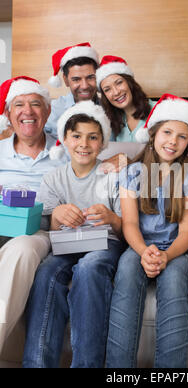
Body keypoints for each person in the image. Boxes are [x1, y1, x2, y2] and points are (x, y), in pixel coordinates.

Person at [23, 101, 126, 368]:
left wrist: (112, 218)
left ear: (103, 142)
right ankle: (36, 364)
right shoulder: (54, 178)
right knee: (46, 272)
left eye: (93, 137)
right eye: (77, 136)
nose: (84, 143)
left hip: (105, 244)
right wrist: (57, 216)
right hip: (66, 244)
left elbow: (129, 228)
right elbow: (47, 226)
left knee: (90, 268)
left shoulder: (113, 175)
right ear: (65, 140)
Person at [106, 93, 188, 368]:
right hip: (138, 245)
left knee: (174, 282)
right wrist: (144, 252)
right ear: (153, 135)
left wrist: (166, 256)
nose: (173, 141)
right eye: (167, 132)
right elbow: (130, 224)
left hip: (174, 249)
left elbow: (186, 233)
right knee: (126, 271)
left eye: (181, 137)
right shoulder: (133, 173)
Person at [0, 76, 68, 353]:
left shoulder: (66, 150)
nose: (28, 111)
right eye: (19, 105)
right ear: (7, 114)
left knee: (23, 250)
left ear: (48, 111)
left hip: (39, 230)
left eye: (36, 104)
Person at [44, 42, 100, 137]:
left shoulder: (110, 109)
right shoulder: (51, 111)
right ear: (66, 80)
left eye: (90, 77)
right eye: (76, 79)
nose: (84, 86)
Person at [96, 55, 155, 143]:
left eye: (119, 83)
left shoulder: (158, 110)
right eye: (107, 89)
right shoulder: (113, 122)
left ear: (130, 83)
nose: (116, 92)